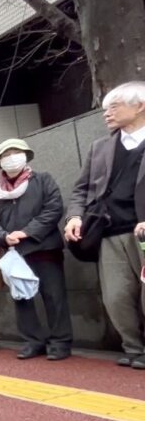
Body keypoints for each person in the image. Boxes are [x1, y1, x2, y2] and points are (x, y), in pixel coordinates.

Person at [65, 81, 145, 369]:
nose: (107, 113)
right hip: (108, 234)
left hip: (143, 233)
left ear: (140, 106)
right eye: (105, 108)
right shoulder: (99, 148)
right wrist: (74, 216)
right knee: (116, 297)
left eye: (114, 106)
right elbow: (81, 189)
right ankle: (134, 349)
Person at [0, 139, 73, 361]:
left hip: (45, 249)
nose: (12, 157)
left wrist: (27, 232)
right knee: (21, 298)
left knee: (54, 297)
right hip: (13, 254)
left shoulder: (43, 180)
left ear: (26, 156)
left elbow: (54, 208)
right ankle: (33, 341)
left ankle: (60, 342)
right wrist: (2, 236)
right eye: (6, 154)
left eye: (16, 152)